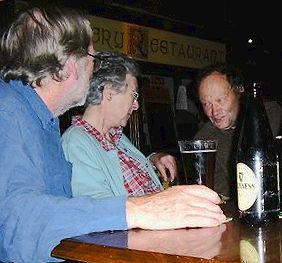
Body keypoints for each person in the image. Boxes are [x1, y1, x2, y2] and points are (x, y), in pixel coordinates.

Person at [0, 6, 226, 263]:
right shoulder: (7, 111)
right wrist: (139, 210)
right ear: (72, 64)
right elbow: (16, 227)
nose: (94, 71)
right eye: (93, 60)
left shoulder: (43, 122)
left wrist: (151, 162)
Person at [62, 51, 177, 198]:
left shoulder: (117, 136)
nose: (136, 106)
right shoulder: (76, 143)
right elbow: (98, 209)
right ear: (109, 93)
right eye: (134, 95)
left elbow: (119, 173)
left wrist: (153, 160)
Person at [194, 63, 282, 199]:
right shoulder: (205, 139)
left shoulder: (273, 116)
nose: (214, 111)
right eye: (206, 104)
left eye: (220, 100)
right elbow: (218, 193)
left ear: (239, 90)